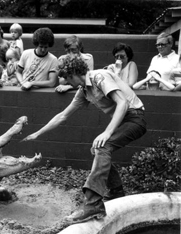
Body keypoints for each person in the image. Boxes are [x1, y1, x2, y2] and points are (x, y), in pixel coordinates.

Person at [22, 55, 147, 223]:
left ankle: (93, 204)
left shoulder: (99, 76)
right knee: (98, 149)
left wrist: (108, 132)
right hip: (124, 119)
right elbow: (62, 116)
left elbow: (123, 102)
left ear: (73, 72)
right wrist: (38, 133)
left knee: (102, 147)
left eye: (66, 78)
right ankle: (116, 191)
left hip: (134, 118)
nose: (64, 82)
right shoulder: (83, 91)